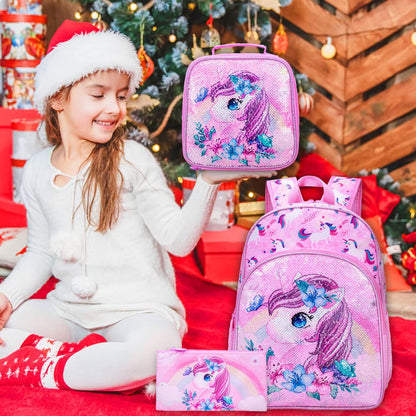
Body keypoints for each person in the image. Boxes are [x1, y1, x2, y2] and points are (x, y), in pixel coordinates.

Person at [0, 20, 275, 392]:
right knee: (12, 322)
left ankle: (49, 366)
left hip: (139, 312)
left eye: (122, 96)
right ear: (57, 97)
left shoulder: (132, 159)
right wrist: (7, 296)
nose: (114, 108)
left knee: (155, 354)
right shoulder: (36, 170)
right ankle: (89, 367)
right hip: (69, 310)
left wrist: (208, 182)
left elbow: (178, 242)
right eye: (98, 95)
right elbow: (39, 251)